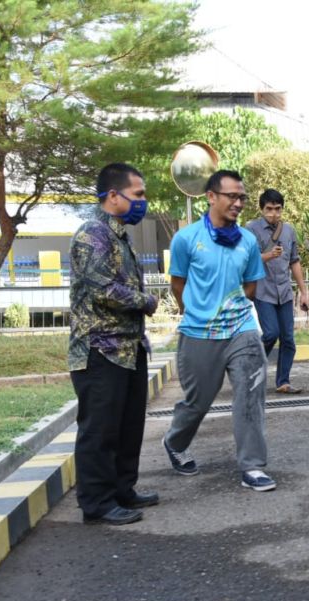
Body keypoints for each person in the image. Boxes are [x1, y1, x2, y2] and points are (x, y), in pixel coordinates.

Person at [163, 169, 277, 491]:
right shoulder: (187, 239)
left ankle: (253, 466)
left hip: (242, 328)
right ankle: (175, 441)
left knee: (251, 395)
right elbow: (178, 283)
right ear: (211, 197)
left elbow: (251, 286)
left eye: (242, 197)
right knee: (198, 402)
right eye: (232, 196)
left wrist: (233, 309)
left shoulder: (248, 241)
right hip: (199, 332)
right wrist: (195, 310)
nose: (238, 203)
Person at [68, 162, 160, 525]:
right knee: (100, 430)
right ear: (113, 196)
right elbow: (103, 289)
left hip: (128, 348)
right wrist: (146, 301)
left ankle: (123, 490)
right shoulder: (92, 234)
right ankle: (97, 502)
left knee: (128, 426)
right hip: (100, 350)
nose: (143, 201)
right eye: (138, 194)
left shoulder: (119, 235)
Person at [246, 189, 309, 394]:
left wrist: (303, 292)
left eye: (278, 209)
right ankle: (250, 367)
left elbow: (294, 262)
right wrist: (269, 255)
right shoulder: (251, 229)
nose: (274, 213)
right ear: (261, 209)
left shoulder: (289, 230)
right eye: (269, 209)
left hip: (285, 291)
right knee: (271, 333)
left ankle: (283, 381)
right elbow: (247, 259)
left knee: (288, 339)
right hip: (263, 291)